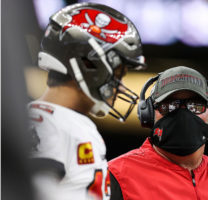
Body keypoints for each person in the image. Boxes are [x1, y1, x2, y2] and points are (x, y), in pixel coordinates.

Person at [27, 2, 145, 200]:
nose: (121, 86)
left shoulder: (65, 121)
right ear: (88, 64)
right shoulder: (43, 121)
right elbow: (32, 191)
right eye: (118, 74)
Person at [108, 66, 208, 200]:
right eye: (169, 106)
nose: (183, 114)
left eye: (195, 106)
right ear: (148, 115)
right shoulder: (115, 176)